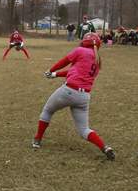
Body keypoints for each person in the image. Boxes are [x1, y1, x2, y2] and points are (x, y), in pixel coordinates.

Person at [32, 32, 115, 160]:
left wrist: (51, 70)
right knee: (84, 130)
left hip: (68, 91)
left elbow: (65, 61)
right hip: (84, 97)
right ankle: (104, 147)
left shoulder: (80, 50)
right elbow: (75, 71)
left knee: (47, 111)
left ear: (84, 41)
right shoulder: (98, 60)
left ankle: (37, 140)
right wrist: (56, 75)